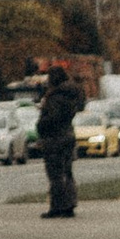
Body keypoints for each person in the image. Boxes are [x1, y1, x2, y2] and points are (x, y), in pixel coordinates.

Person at [36, 61, 86, 218]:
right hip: (68, 135)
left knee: (55, 174)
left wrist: (41, 125)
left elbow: (52, 118)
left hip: (54, 138)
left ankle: (57, 206)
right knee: (67, 172)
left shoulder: (56, 97)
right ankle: (69, 204)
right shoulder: (71, 94)